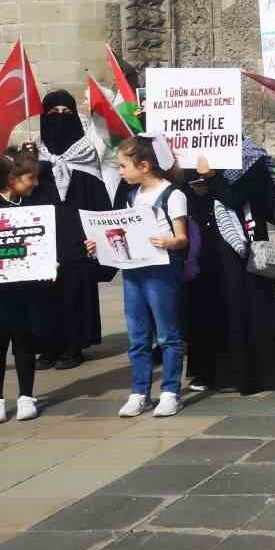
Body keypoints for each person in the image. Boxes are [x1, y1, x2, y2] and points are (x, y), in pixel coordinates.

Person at [94, 136, 189, 418]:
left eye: (123, 166)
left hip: (162, 270)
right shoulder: (131, 196)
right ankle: (140, 391)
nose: (120, 172)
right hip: (134, 270)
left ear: (144, 165)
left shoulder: (173, 195)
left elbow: (182, 237)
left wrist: (170, 242)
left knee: (167, 334)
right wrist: (98, 242)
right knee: (137, 334)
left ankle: (170, 391)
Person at [183, 141, 275, 395]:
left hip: (243, 243)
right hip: (206, 243)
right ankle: (211, 372)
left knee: (244, 305)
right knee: (209, 305)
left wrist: (212, 177)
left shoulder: (251, 157)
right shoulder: (192, 154)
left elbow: (238, 197)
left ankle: (249, 373)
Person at [32, 90, 111, 370]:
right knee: (42, 291)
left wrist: (100, 235)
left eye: (67, 111)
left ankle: (73, 347)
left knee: (75, 289)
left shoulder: (86, 150)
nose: (60, 117)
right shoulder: (33, 150)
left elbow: (98, 193)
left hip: (77, 234)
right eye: (53, 112)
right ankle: (46, 347)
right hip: (43, 234)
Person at [0, 145, 47, 424]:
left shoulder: (33, 204)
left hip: (25, 286)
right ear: (11, 178)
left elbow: (44, 239)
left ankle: (26, 395)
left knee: (24, 339)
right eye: (30, 178)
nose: (35, 183)